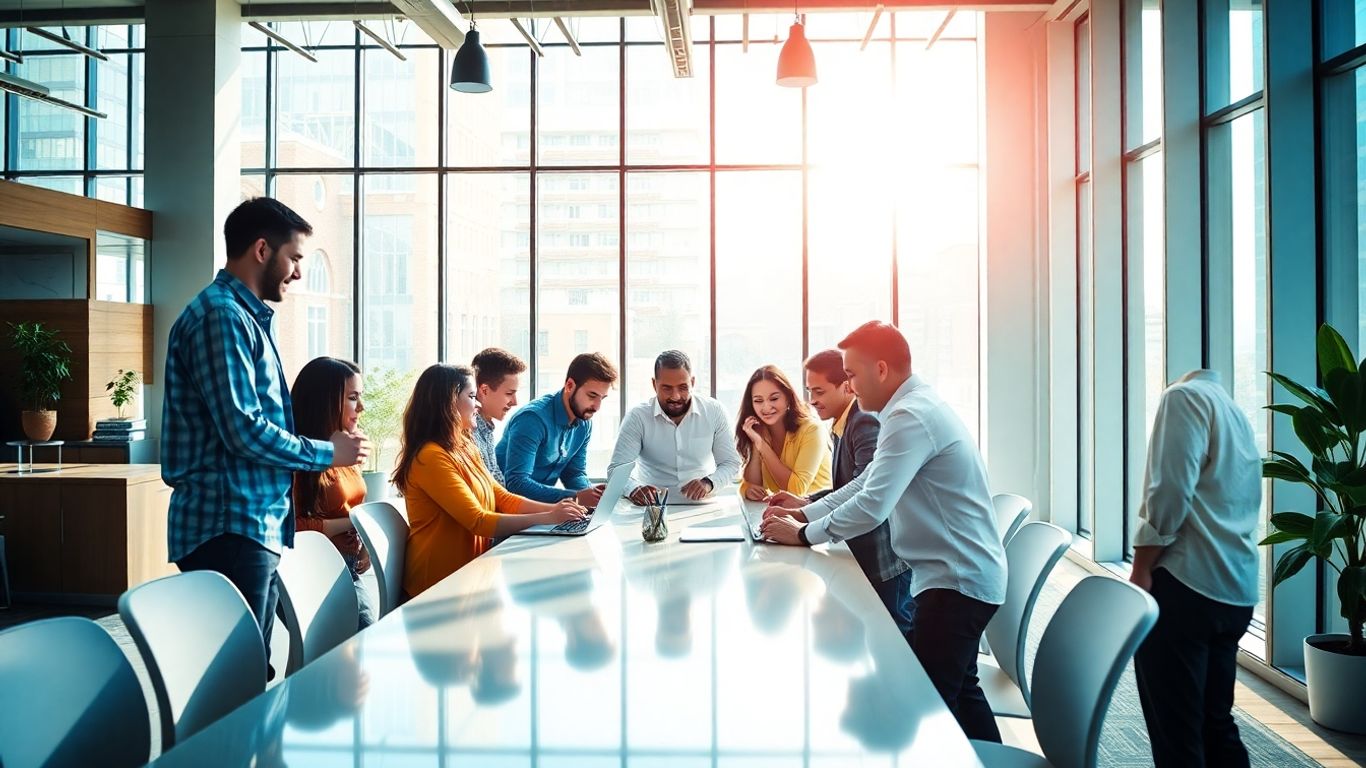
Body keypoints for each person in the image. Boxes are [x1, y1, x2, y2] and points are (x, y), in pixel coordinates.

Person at [759, 321, 1006, 743]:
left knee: (923, 713)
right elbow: (867, 483)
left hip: (956, 583)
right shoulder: (907, 410)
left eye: (851, 375)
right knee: (961, 693)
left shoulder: (910, 416)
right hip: (955, 577)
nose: (849, 386)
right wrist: (807, 512)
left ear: (881, 369)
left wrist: (804, 534)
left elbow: (873, 506)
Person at [163, 197, 369, 673]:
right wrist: (327, 452)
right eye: (295, 258)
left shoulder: (242, 317)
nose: (298, 272)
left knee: (252, 667)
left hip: (247, 522)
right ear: (261, 249)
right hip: (229, 522)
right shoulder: (223, 318)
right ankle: (230, 750)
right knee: (238, 675)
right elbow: (244, 431)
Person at [1130, 370, 1262, 768]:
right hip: (1235, 589)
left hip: (1186, 585)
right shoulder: (1237, 414)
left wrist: (1141, 568)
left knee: (1177, 731)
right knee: (1215, 722)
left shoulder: (1182, 398)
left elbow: (1168, 491)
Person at [394, 364, 586, 599]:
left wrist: (559, 510)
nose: (478, 404)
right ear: (448, 402)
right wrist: (547, 518)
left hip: (472, 577)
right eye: (472, 396)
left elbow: (501, 497)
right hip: (436, 587)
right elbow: (477, 520)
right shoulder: (430, 457)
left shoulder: (464, 446)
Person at [766, 350, 915, 641]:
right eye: (809, 390)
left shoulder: (863, 422)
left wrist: (803, 527)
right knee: (876, 640)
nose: (811, 400)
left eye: (819, 391)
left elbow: (865, 488)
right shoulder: (841, 423)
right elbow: (847, 485)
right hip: (865, 552)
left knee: (896, 643)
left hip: (884, 561)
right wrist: (806, 503)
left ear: (846, 386)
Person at [291, 357, 378, 629]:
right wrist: (354, 522)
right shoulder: (300, 459)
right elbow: (294, 527)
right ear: (325, 402)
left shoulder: (345, 449)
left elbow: (350, 505)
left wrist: (363, 541)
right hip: (315, 572)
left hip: (346, 565)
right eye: (353, 398)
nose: (361, 408)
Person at [607, 350, 742, 505]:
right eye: (667, 388)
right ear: (654, 384)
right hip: (650, 510)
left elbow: (730, 463)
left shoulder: (714, 411)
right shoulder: (638, 417)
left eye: (683, 387)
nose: (675, 396)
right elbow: (616, 470)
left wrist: (708, 483)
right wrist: (634, 489)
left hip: (703, 508)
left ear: (693, 382)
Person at [497, 352, 618, 505]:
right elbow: (516, 484)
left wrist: (593, 495)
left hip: (540, 511)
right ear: (570, 386)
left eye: (602, 398)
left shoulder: (584, 421)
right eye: (592, 396)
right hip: (505, 510)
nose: (597, 407)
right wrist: (577, 497)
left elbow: (574, 474)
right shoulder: (532, 420)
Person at [735, 365, 831, 501]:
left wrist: (762, 446)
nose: (766, 407)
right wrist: (757, 444)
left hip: (819, 513)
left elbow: (795, 491)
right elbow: (751, 484)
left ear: (787, 397)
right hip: (784, 514)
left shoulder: (812, 430)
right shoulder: (760, 430)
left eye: (774, 399)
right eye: (758, 401)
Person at [470, 347, 527, 485]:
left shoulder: (486, 429)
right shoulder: (469, 433)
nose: (515, 402)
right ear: (484, 390)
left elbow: (499, 488)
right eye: (509, 393)